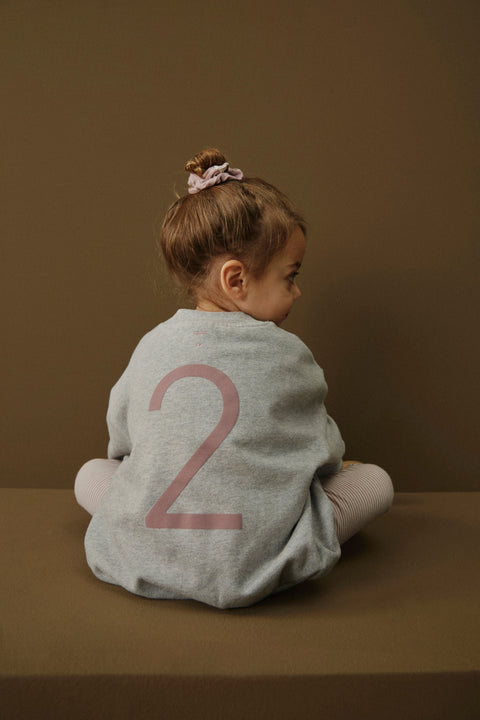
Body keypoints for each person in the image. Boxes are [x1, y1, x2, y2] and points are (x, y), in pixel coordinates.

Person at [75, 148, 394, 609]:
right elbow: (324, 454)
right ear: (236, 280)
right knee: (375, 481)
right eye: (290, 277)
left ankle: (148, 537)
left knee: (90, 473)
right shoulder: (289, 353)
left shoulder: (150, 345)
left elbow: (121, 442)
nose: (297, 291)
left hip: (148, 551)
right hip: (259, 563)